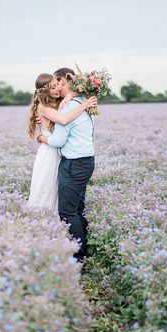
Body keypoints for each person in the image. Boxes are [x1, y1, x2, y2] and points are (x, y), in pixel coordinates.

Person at [37, 68, 96, 261]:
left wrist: (42, 137)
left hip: (74, 164)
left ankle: (78, 258)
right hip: (85, 162)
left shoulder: (70, 107)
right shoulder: (82, 103)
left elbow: (57, 142)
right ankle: (86, 250)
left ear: (63, 81)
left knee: (67, 211)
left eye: (56, 83)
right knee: (77, 209)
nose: (55, 87)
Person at [27, 73, 97, 211]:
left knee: (60, 191)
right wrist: (84, 106)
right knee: (47, 187)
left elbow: (78, 92)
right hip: (49, 151)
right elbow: (63, 120)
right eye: (53, 87)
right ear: (45, 91)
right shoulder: (43, 107)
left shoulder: (60, 102)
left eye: (58, 85)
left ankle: (60, 226)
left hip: (61, 152)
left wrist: (70, 96)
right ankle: (43, 221)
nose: (58, 89)